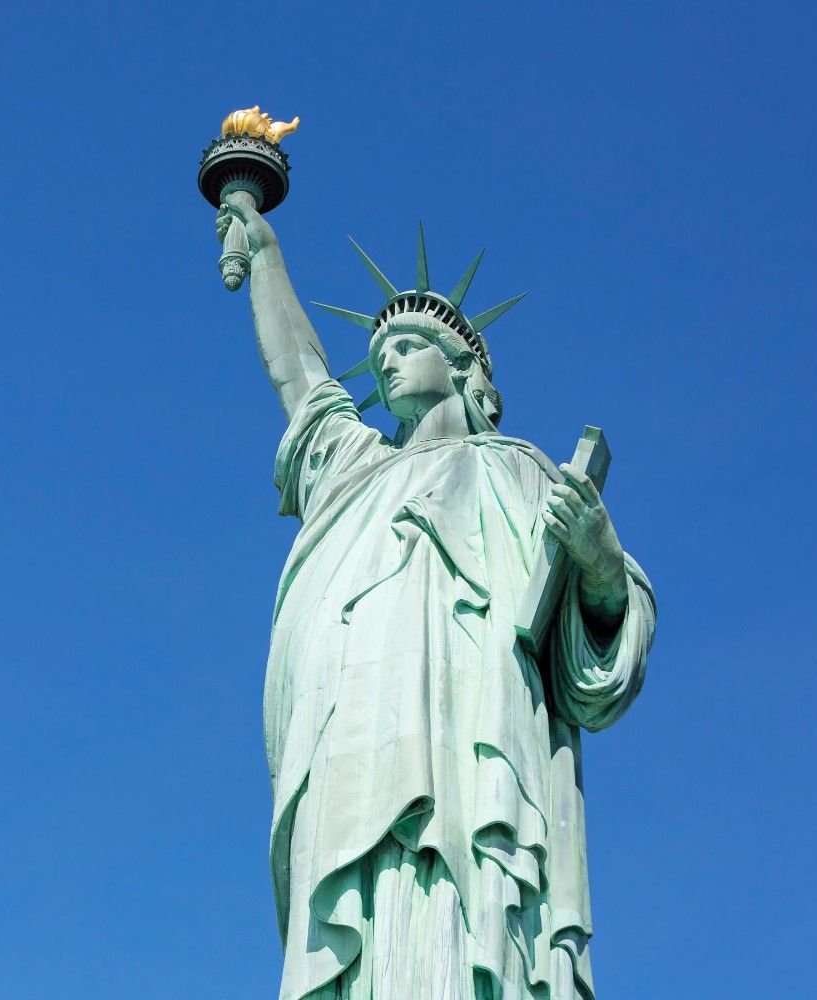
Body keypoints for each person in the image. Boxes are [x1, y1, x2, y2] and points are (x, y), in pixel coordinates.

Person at [217, 193, 656, 1000]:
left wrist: (598, 560)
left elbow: (594, 655)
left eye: (409, 343)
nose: (387, 360)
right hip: (353, 748)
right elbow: (301, 379)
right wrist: (267, 258)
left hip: (475, 741)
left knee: (462, 916)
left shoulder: (517, 471)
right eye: (380, 349)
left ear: (462, 367)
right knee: (370, 918)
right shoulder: (353, 470)